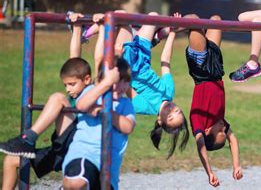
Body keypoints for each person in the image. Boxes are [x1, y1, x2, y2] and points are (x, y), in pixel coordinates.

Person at [0, 12, 94, 190]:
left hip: (79, 145)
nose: (69, 89)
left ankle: (28, 139)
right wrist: (76, 27)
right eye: (66, 84)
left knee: (58, 98)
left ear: (87, 80)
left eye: (72, 84)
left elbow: (99, 60)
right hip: (62, 147)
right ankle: (26, 143)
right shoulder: (75, 91)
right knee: (12, 160)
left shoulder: (92, 91)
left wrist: (104, 26)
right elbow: (74, 58)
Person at [113, 11, 189, 158]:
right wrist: (172, 32)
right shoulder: (170, 92)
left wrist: (117, 56)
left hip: (127, 60)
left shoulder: (146, 107)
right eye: (178, 111)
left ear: (160, 121)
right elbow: (165, 60)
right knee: (153, 16)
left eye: (171, 117)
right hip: (143, 55)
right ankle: (155, 35)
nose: (173, 110)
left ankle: (86, 32)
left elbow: (126, 84)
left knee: (122, 17)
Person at [182, 13, 243, 187]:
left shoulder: (198, 121)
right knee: (216, 19)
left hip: (201, 67)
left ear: (208, 131)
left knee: (193, 19)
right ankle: (178, 26)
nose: (225, 128)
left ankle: (171, 28)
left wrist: (210, 172)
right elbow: (234, 140)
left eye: (221, 131)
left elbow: (200, 146)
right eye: (225, 131)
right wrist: (236, 165)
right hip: (216, 67)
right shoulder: (220, 122)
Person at [62, 58, 135, 190]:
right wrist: (106, 83)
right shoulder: (94, 93)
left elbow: (128, 127)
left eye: (126, 81)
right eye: (118, 81)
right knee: (75, 182)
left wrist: (104, 111)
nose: (122, 86)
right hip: (85, 154)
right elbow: (81, 105)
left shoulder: (125, 104)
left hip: (108, 168)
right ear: (103, 81)